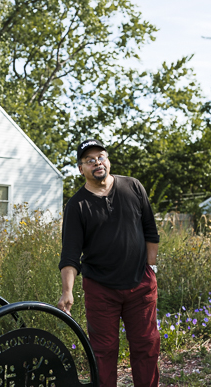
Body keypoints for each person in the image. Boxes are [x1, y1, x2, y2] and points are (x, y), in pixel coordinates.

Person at [57, 139, 160, 387]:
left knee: (146, 346)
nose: (97, 163)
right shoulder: (77, 205)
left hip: (140, 286)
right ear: (81, 169)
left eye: (101, 157)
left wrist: (151, 270)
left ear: (108, 160)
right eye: (89, 160)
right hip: (101, 289)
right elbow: (70, 255)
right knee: (103, 352)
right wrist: (67, 292)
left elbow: (150, 232)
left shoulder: (133, 187)